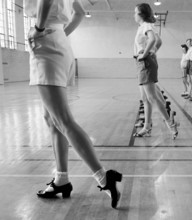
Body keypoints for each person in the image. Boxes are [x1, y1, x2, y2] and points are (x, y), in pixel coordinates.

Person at [25, 0, 122, 208]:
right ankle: (62, 179)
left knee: (62, 120)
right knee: (51, 119)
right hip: (57, 39)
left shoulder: (43, 26)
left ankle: (104, 178)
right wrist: (58, 34)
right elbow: (79, 12)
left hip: (46, 38)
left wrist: (40, 28)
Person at [133, 3, 179, 139]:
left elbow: (153, 40)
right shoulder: (143, 27)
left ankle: (171, 123)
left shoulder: (146, 25)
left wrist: (146, 53)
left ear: (141, 14)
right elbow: (159, 42)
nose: (133, 15)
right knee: (145, 98)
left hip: (145, 62)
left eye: (135, 12)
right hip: (143, 62)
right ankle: (147, 127)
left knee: (152, 97)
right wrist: (152, 52)